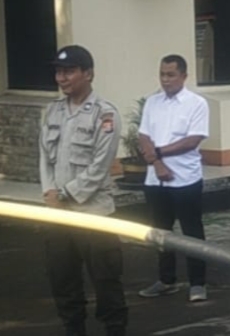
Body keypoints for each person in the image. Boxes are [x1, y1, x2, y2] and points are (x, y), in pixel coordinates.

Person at [38, 45, 128, 336]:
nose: (61, 78)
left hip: (94, 214)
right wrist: (49, 192)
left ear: (88, 74)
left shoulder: (105, 114)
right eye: (58, 72)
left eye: (69, 72)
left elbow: (100, 167)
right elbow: (45, 159)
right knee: (62, 281)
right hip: (59, 215)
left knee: (106, 281)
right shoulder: (52, 111)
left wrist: (64, 194)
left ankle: (114, 330)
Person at [137, 55, 210, 302]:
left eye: (171, 75)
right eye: (162, 74)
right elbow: (144, 136)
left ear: (184, 76)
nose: (165, 80)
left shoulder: (197, 104)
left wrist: (158, 153)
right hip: (155, 179)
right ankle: (166, 280)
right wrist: (157, 163)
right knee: (161, 231)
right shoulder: (152, 102)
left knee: (192, 231)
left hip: (185, 178)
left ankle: (197, 283)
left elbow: (192, 140)